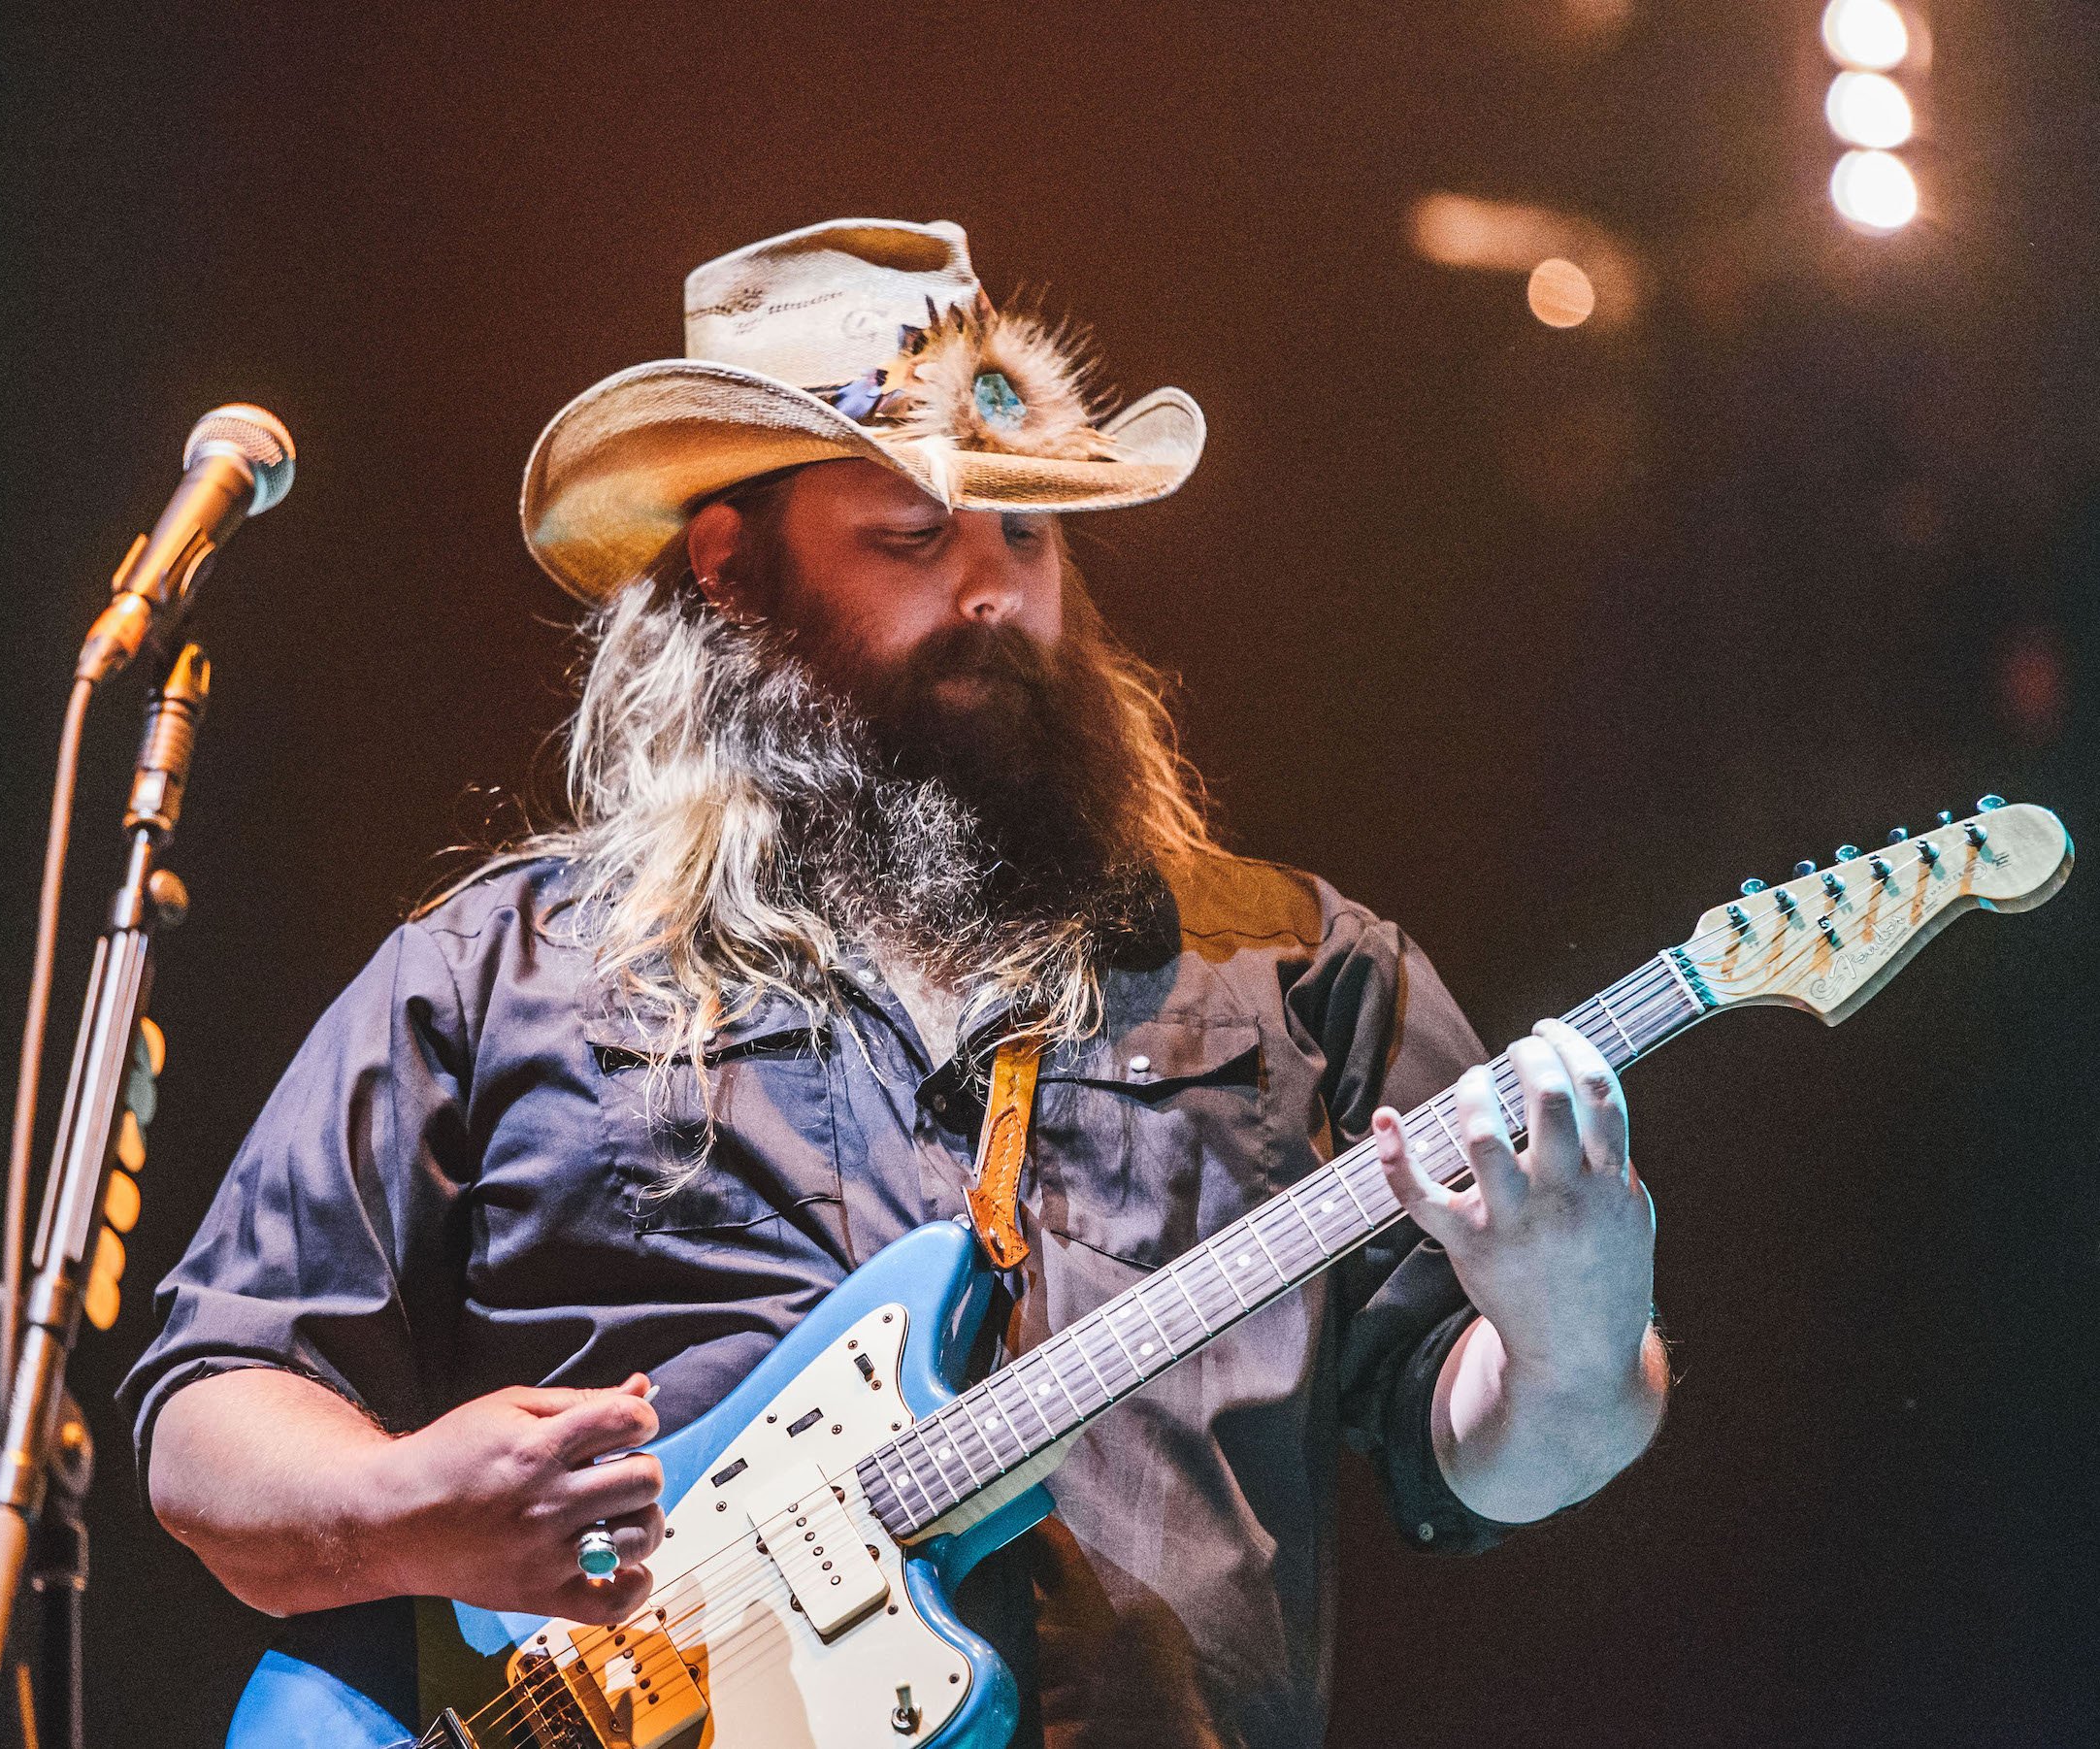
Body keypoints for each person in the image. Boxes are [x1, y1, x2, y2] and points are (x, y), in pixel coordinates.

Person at [123, 218, 1668, 1749]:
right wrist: (407, 1508)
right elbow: (211, 1408)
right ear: (731, 573)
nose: (994, 589)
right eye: (917, 537)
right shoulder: (501, 974)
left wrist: (1575, 1332)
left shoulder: (1300, 974)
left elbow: (1497, 1452)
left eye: (1030, 534)